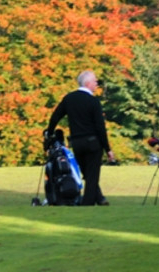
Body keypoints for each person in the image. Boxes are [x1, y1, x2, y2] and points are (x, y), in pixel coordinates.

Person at [46, 70, 116, 206]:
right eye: (95, 82)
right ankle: (87, 203)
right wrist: (108, 149)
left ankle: (100, 198)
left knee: (87, 174)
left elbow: (55, 117)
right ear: (88, 83)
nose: (97, 84)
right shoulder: (93, 101)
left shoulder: (69, 98)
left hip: (77, 143)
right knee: (93, 176)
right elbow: (100, 128)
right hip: (93, 142)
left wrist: (49, 132)